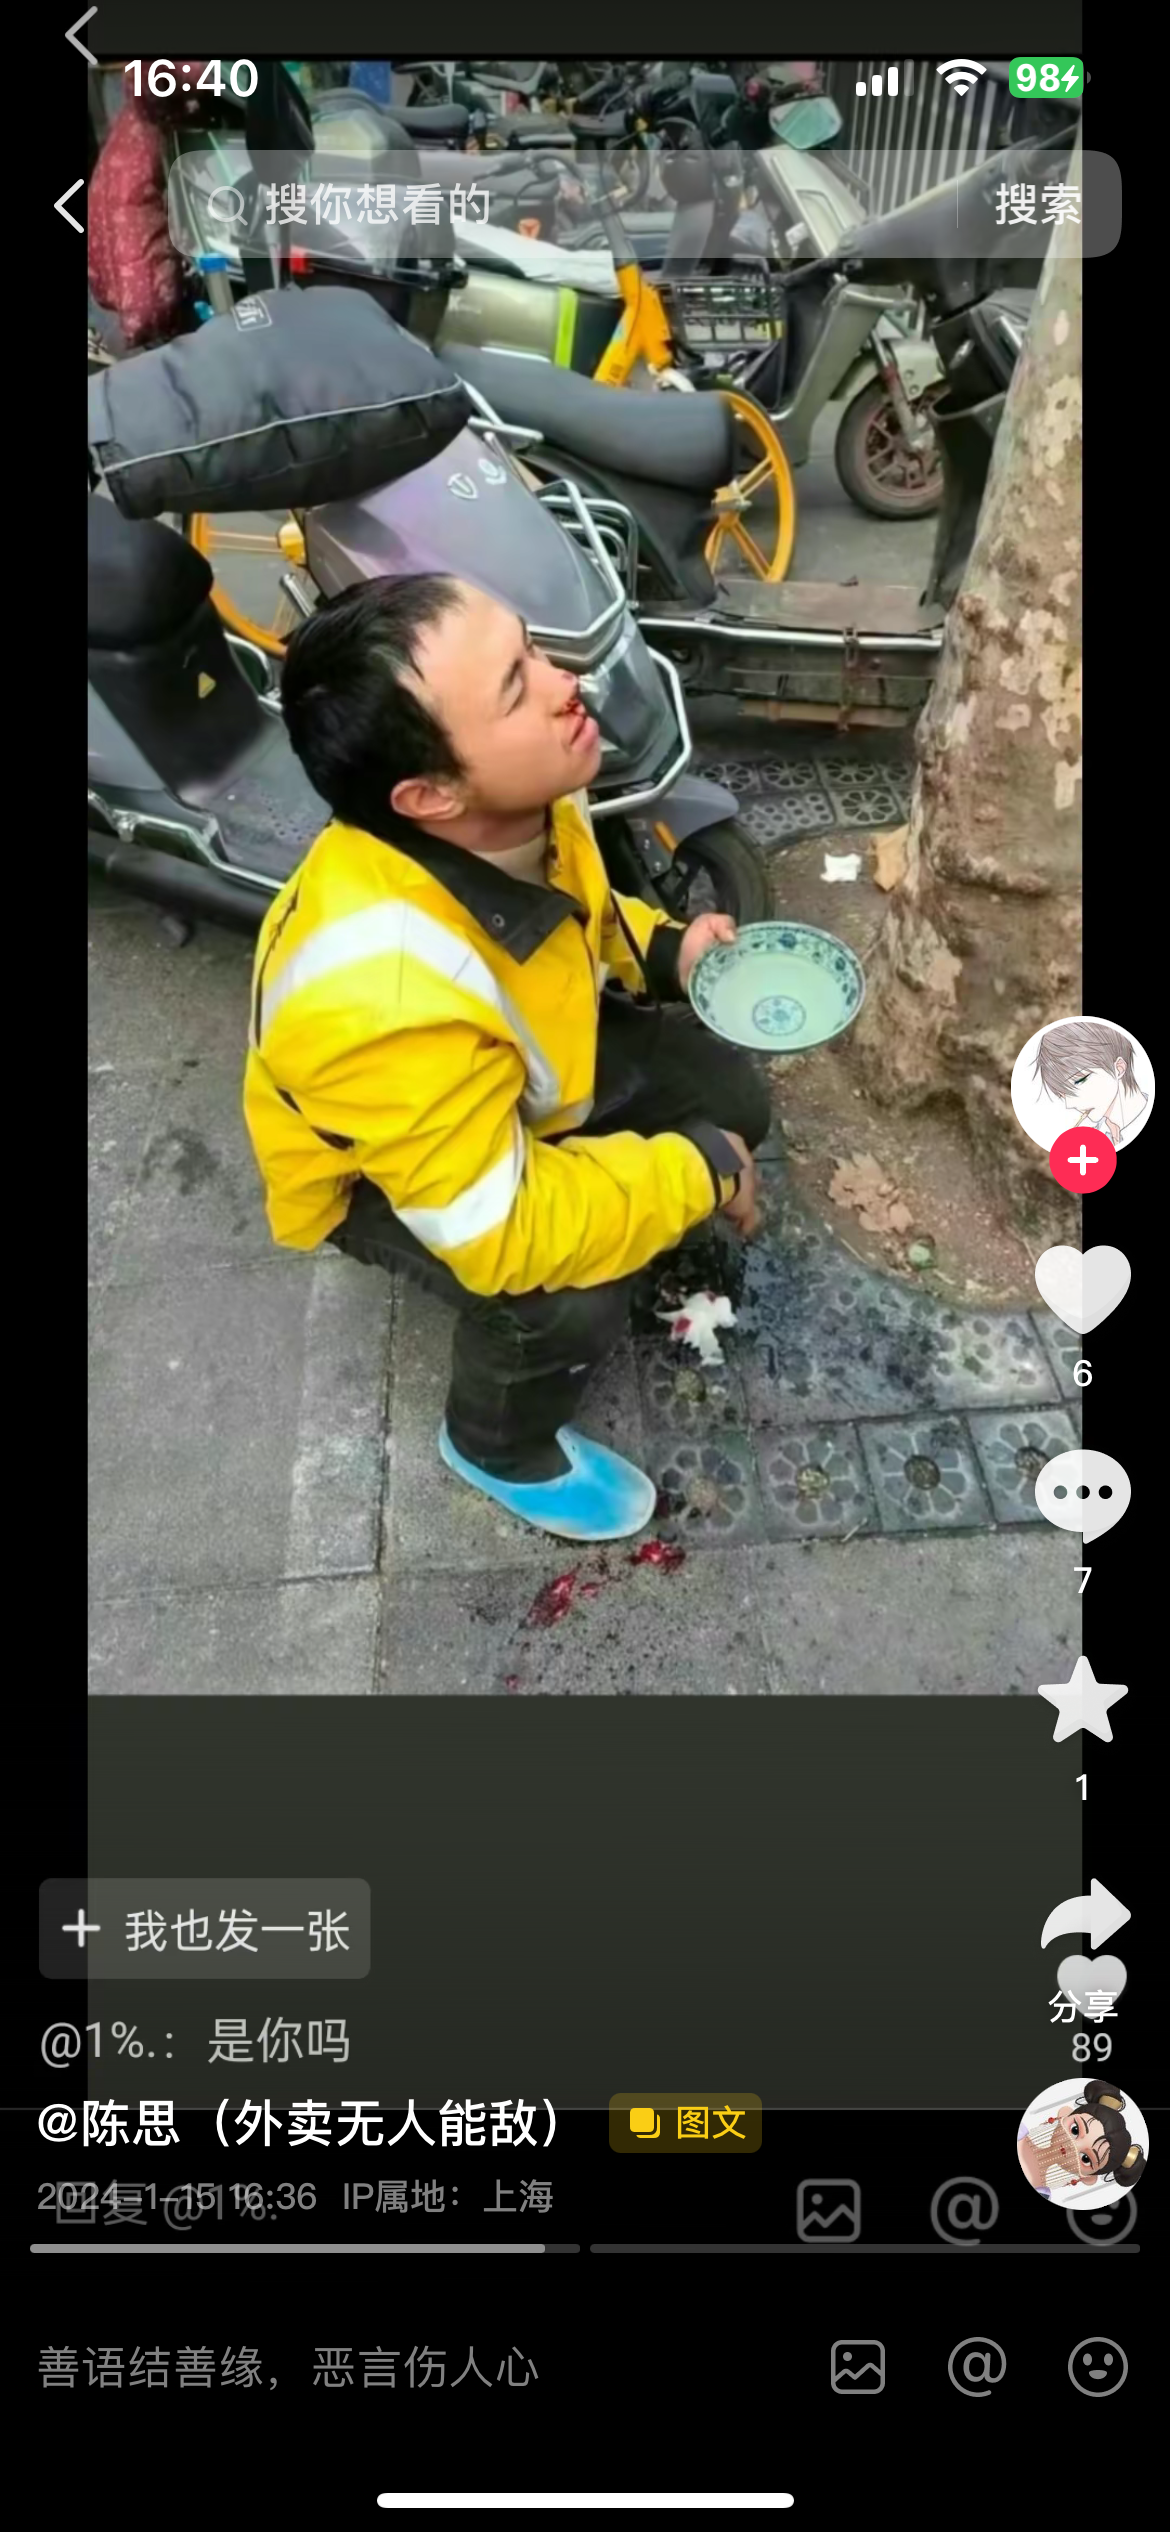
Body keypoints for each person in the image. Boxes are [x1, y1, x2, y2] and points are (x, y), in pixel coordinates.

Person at [243, 574, 772, 1542]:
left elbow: (582, 915)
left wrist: (667, 952)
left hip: (516, 1079)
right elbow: (500, 1227)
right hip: (379, 1178)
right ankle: (496, 1443)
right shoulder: (380, 1001)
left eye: (530, 648)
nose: (566, 681)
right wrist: (698, 1171)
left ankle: (629, 1197)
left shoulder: (525, 802)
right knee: (565, 1298)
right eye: (515, 687)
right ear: (429, 794)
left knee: (733, 1095)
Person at [1017, 2079, 1147, 2196]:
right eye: (1075, 2130)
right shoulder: (1020, 2133)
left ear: (1087, 2177)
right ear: (1065, 2114)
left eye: (1086, 2158)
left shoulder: (1042, 2192)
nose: (1073, 2146)